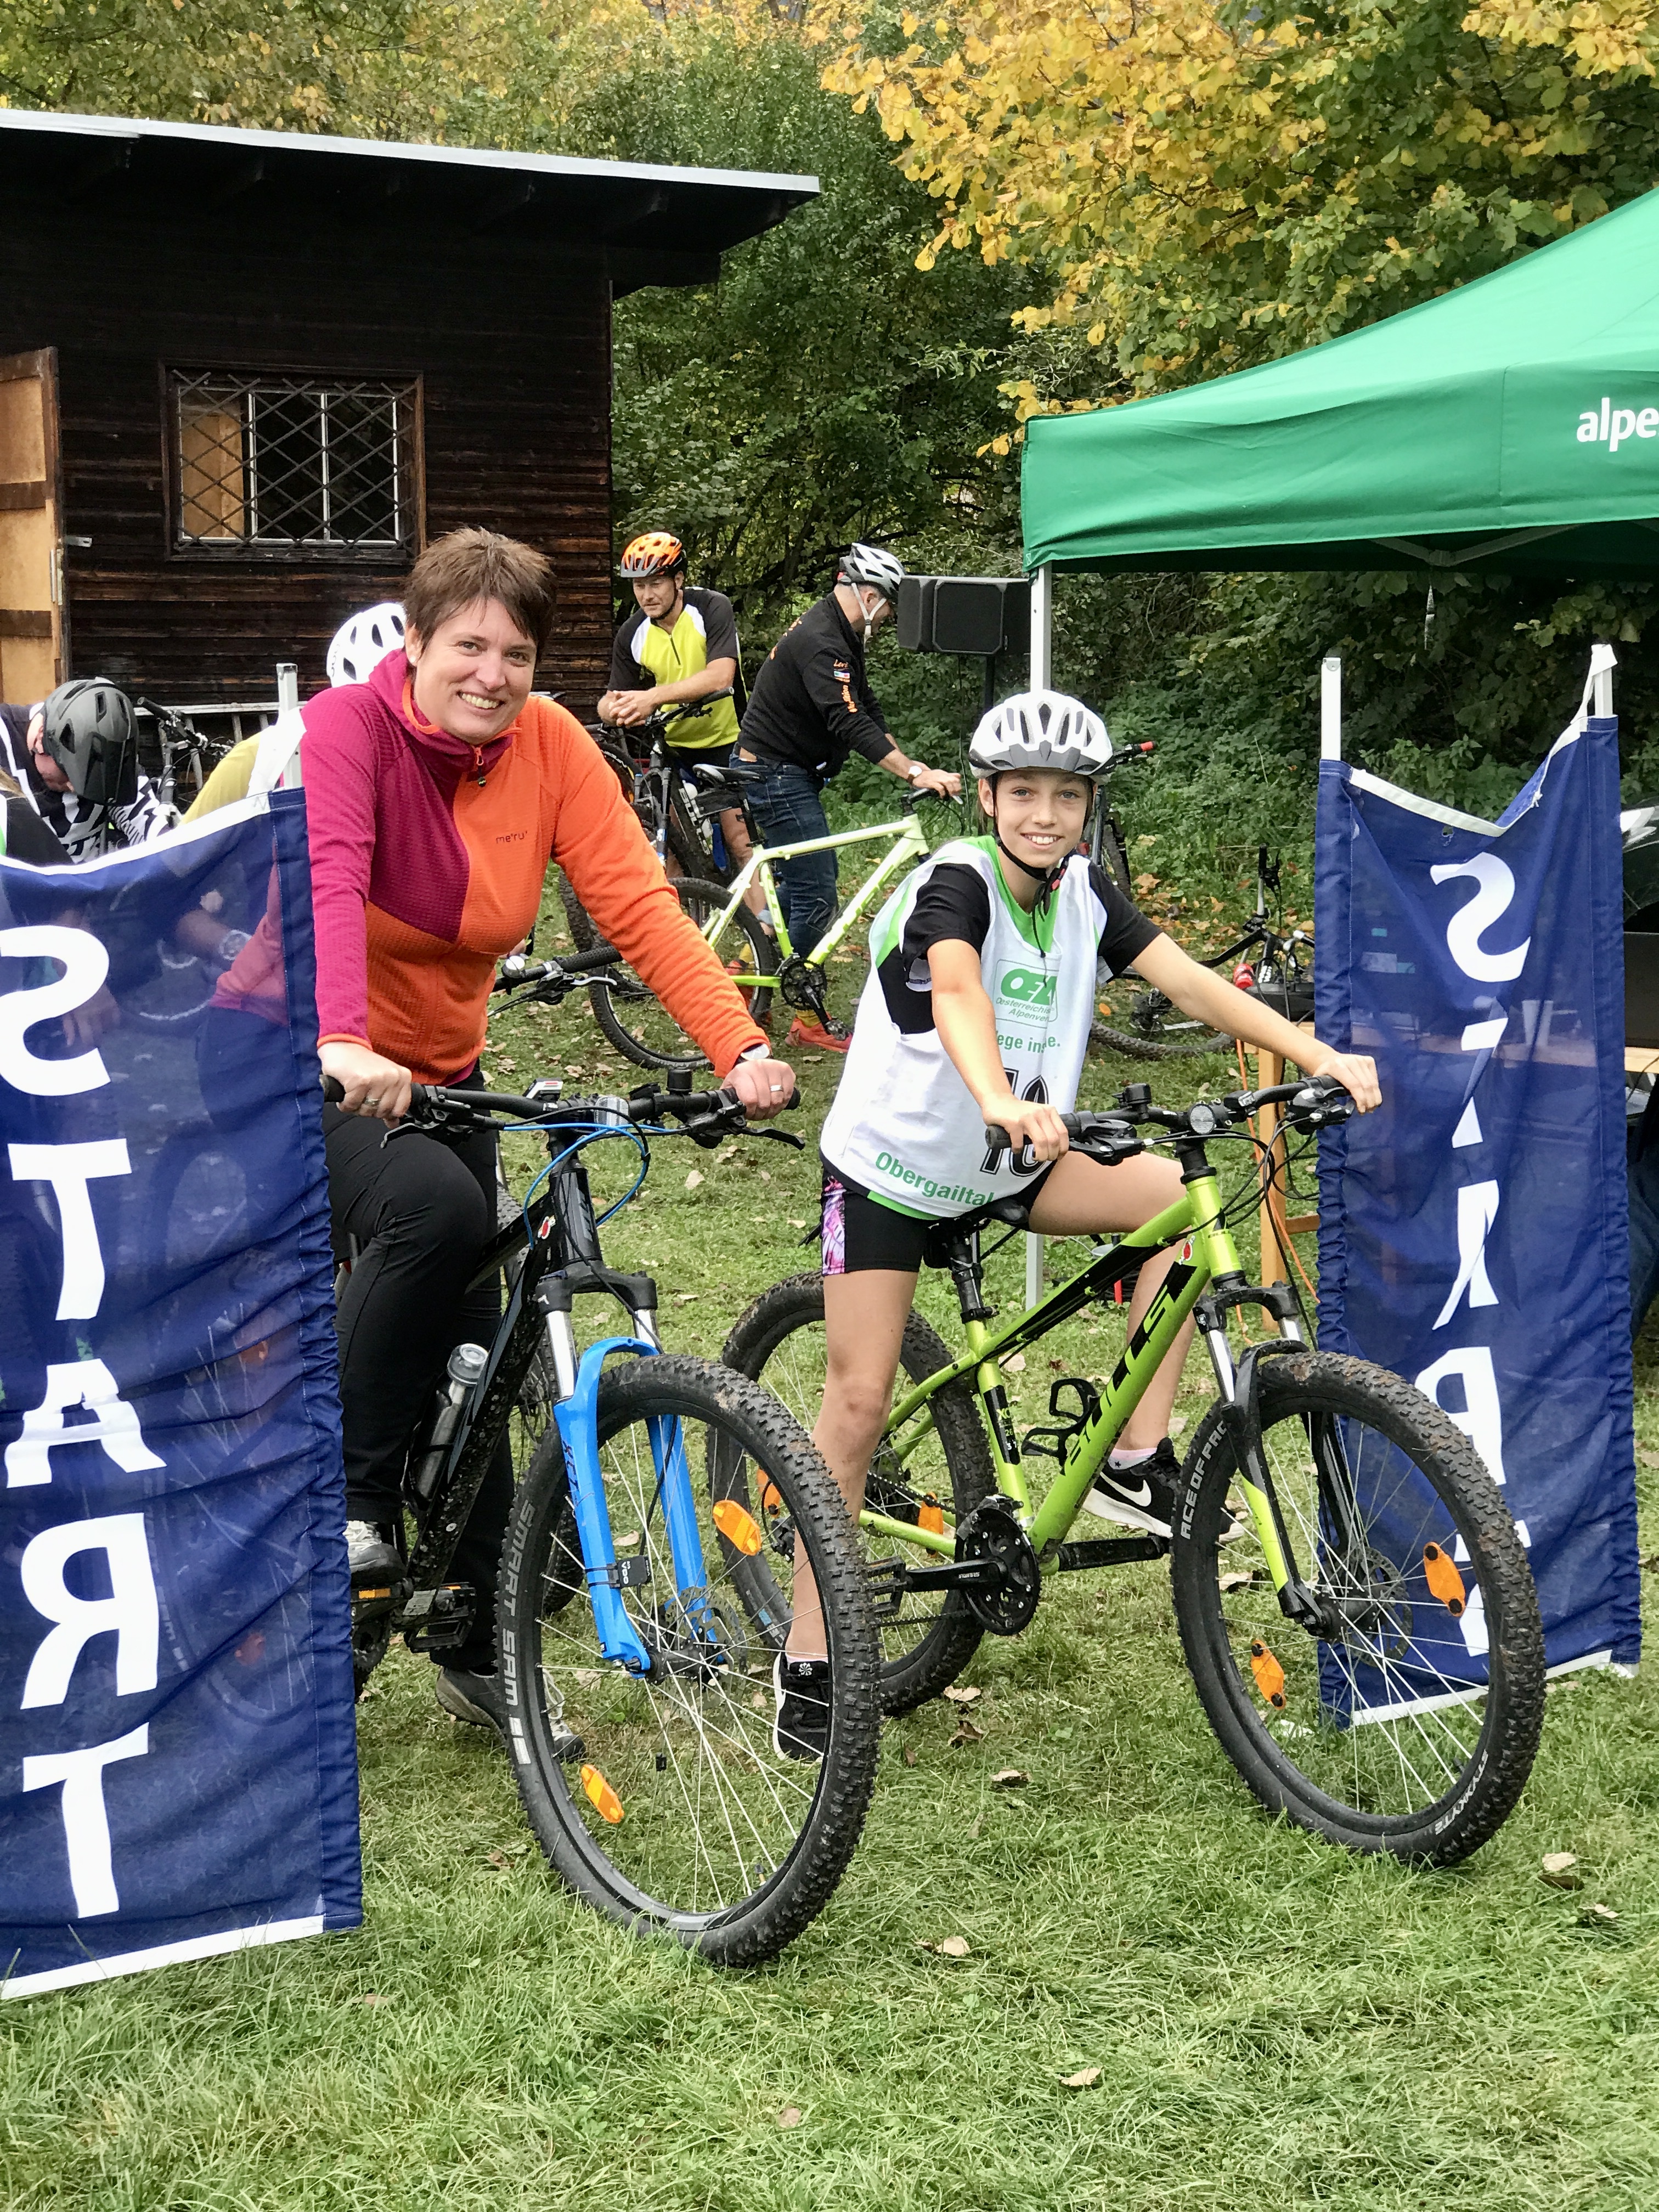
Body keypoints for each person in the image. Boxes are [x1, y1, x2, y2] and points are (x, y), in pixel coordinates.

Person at [771, 690, 1380, 1762]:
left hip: (1012, 1158)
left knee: (1178, 1205)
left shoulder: (1088, 893)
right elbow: (955, 991)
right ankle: (811, 1658)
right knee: (858, 1401)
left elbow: (1188, 982)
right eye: (1024, 793)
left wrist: (1317, 1052)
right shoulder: (955, 882)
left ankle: (1134, 1456)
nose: (1045, 814)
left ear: (1088, 804)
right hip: (891, 1174)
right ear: (988, 797)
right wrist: (997, 1095)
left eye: (1066, 795)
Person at [301, 527, 795, 1742]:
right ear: (417, 644)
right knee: (434, 1212)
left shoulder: (550, 745)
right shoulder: (348, 731)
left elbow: (638, 905)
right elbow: (329, 882)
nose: (492, 673)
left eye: (516, 653)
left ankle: (474, 1634)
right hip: (311, 1066)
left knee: (479, 1344)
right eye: (468, 646)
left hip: (445, 1080)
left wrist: (736, 1046)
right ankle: (348, 1515)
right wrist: (342, 1039)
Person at [735, 543, 960, 1053]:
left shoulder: (840, 632)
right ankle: (805, 1016)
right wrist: (913, 772)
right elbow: (847, 721)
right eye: (890, 604)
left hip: (784, 770)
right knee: (817, 892)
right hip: (774, 774)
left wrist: (913, 768)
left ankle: (745, 976)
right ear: (870, 595)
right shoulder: (823, 641)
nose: (891, 615)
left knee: (797, 890)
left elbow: (867, 707)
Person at [595, 531, 761, 908]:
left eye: (656, 583)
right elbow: (610, 699)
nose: (647, 595)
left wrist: (652, 697)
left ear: (679, 580)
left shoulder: (711, 608)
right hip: (671, 747)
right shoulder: (632, 633)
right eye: (639, 586)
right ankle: (679, 928)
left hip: (727, 740)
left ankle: (765, 931)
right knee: (667, 842)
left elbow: (720, 676)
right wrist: (615, 709)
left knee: (740, 841)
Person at [0, 681, 173, 857]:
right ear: (40, 741)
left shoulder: (113, 760)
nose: (74, 788)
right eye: (68, 773)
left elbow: (150, 828)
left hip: (86, 874)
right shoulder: (4, 738)